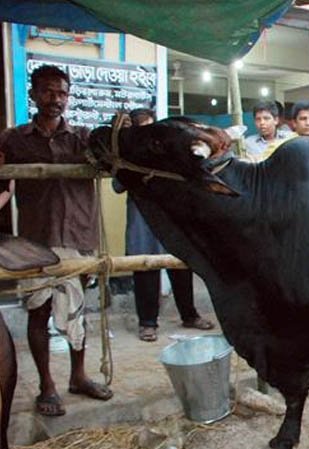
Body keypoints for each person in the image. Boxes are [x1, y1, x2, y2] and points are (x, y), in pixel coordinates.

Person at [0, 65, 113, 416]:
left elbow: (112, 159)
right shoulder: (13, 139)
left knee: (79, 310)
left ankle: (78, 376)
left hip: (78, 235)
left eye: (62, 93)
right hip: (35, 240)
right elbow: (3, 185)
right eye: (48, 92)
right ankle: (47, 385)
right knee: (39, 311)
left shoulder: (82, 138)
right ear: (33, 94)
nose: (56, 100)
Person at [113, 109, 215, 343]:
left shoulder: (167, 150)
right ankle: (147, 323)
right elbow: (118, 187)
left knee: (181, 265)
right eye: (142, 129)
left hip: (171, 217)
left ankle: (189, 315)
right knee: (145, 267)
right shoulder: (127, 155)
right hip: (142, 221)